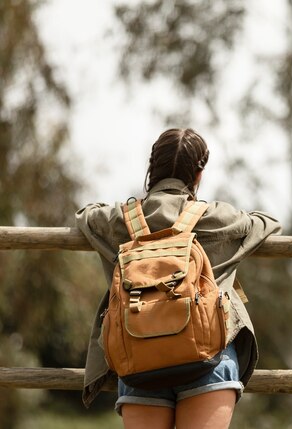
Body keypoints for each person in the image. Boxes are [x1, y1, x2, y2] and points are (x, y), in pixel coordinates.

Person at [76, 128, 281, 429]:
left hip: (139, 357)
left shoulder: (119, 221)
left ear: (152, 169)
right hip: (207, 357)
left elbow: (85, 215)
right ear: (199, 175)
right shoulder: (218, 218)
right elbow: (267, 223)